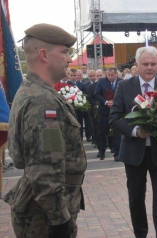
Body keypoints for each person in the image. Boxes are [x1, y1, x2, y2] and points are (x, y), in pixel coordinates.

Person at [3, 23, 87, 238]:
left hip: (42, 208)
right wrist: (60, 220)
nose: (69, 59)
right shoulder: (42, 101)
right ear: (44, 55)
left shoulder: (37, 91)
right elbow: (44, 169)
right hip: (44, 216)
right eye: (64, 52)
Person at [109, 46, 157, 238]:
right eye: (145, 64)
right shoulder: (124, 86)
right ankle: (141, 235)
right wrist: (135, 131)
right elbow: (114, 118)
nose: (149, 67)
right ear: (137, 65)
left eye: (153, 64)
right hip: (134, 154)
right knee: (136, 199)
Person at [94, 66, 122, 161]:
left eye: (112, 75)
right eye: (108, 75)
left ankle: (117, 153)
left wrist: (116, 103)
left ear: (116, 74)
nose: (110, 76)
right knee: (103, 132)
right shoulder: (101, 81)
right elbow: (96, 94)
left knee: (118, 133)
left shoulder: (121, 82)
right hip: (104, 111)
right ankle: (102, 151)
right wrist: (106, 102)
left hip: (117, 112)